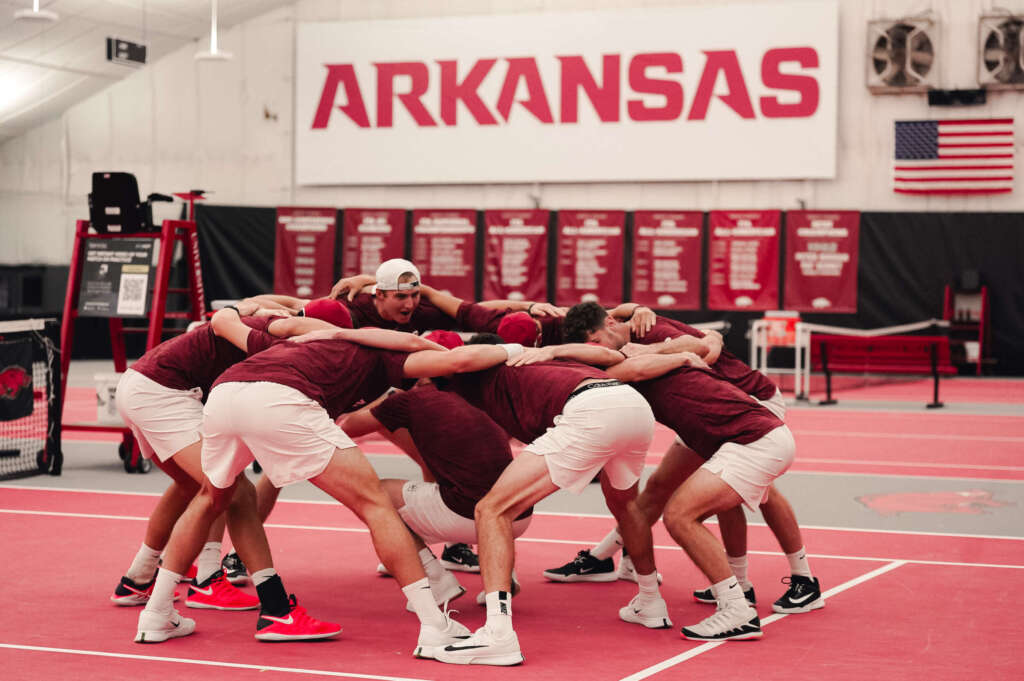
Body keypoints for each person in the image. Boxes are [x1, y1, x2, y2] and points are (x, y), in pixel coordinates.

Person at [135, 312, 524, 657]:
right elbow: (457, 360)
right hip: (282, 399)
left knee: (210, 498)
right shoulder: (388, 355)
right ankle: (434, 625)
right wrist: (518, 350)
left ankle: (156, 614)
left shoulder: (303, 341)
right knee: (375, 504)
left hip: (225, 394)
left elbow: (235, 322)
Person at [548, 302, 823, 620]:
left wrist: (650, 350)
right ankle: (606, 556)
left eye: (597, 343)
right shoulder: (622, 332)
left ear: (609, 324)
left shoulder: (646, 328)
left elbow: (706, 348)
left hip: (749, 401)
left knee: (757, 493)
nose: (599, 351)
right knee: (660, 485)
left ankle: (803, 578)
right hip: (705, 415)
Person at [430, 335, 662, 666]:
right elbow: (609, 355)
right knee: (627, 506)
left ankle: (498, 635)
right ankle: (651, 602)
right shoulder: (538, 364)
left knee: (492, 510)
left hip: (590, 412)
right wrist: (553, 349)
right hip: (633, 406)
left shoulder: (482, 372)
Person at [111, 300, 343, 611]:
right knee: (233, 488)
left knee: (194, 486)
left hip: (142, 384)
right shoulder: (277, 336)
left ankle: (137, 579)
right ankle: (217, 585)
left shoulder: (266, 326)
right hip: (161, 392)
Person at [340, 371, 532, 609]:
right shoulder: (480, 397)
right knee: (484, 482)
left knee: (376, 495)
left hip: (469, 516)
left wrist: (389, 395)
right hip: (517, 517)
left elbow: (348, 426)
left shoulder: (410, 399)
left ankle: (435, 579)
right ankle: (504, 577)